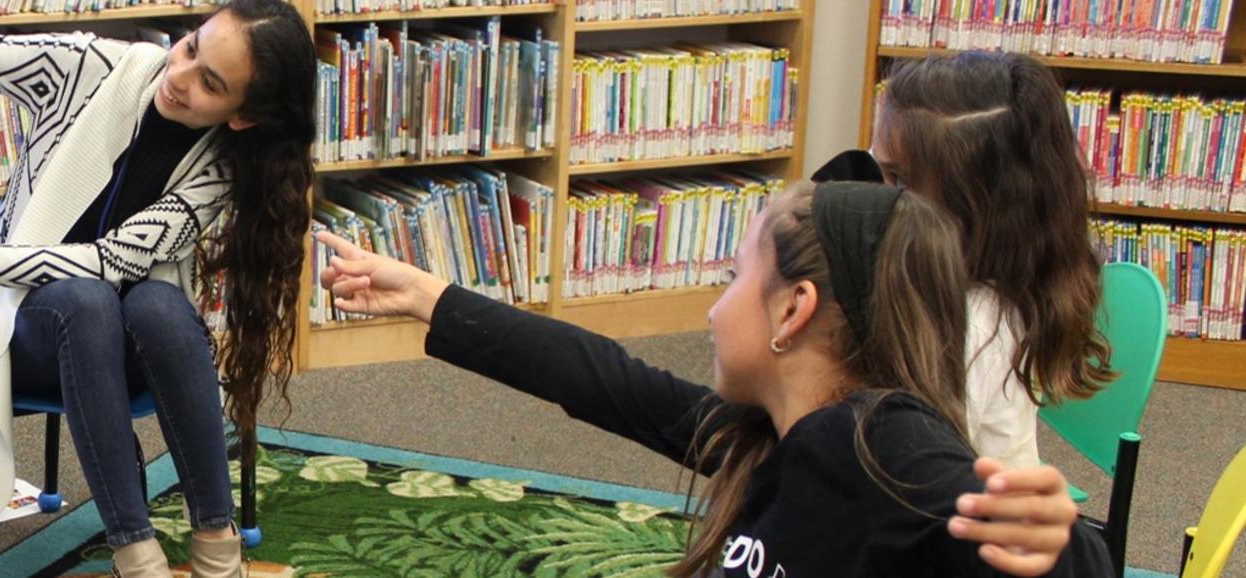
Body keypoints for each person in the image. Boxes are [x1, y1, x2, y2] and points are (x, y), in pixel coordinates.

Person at [315, 181, 1114, 576]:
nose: (712, 306)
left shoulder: (880, 440)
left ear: (793, 310)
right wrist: (427, 296)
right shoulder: (780, 436)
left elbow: (1019, 543)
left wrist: (1064, 547)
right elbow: (607, 381)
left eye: (735, 275)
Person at [0, 1, 316, 575]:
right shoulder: (87, 67)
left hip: (127, 347)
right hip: (21, 331)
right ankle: (137, 557)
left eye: (209, 83)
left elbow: (110, 259)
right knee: (87, 303)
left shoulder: (218, 167)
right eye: (191, 47)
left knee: (156, 304)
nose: (178, 77)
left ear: (241, 116)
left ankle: (217, 551)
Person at [869, 51, 1116, 469]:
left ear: (973, 206)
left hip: (964, 524)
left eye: (898, 180)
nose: (873, 195)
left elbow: (897, 472)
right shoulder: (956, 286)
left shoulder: (971, 327)